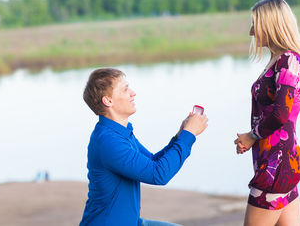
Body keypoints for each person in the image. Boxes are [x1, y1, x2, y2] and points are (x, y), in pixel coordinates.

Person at [79, 68, 208, 226]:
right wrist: (189, 135)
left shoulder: (119, 133)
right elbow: (158, 174)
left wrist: (180, 136)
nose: (133, 93)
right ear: (108, 101)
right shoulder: (108, 141)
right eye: (125, 89)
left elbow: (153, 162)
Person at [234, 0, 300, 226]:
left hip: (276, 166)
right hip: (280, 162)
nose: (251, 32)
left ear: (269, 26)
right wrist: (252, 137)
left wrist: (252, 136)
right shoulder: (278, 60)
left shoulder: (288, 61)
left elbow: (281, 113)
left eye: (255, 24)